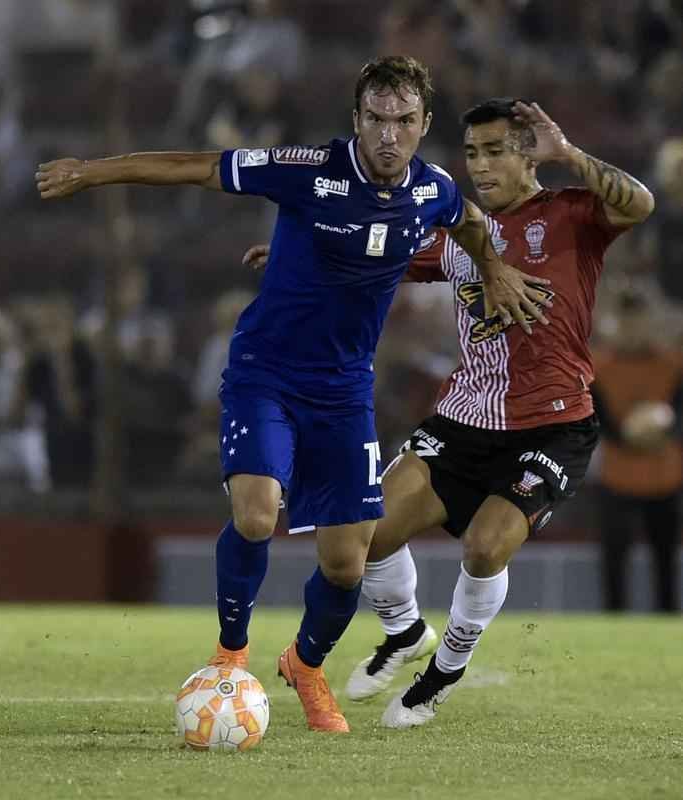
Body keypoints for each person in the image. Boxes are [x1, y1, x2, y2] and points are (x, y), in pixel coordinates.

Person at [35, 58, 549, 734]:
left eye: (403, 120)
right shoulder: (310, 170)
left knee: (347, 563)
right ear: (356, 119)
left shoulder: (434, 189)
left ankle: (305, 665)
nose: (388, 134)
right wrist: (91, 171)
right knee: (257, 515)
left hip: (344, 393)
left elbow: (469, 221)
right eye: (376, 118)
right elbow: (197, 166)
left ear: (424, 124)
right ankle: (229, 654)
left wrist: (494, 268)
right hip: (266, 373)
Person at [247, 96, 656, 728]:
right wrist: (296, 257)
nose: (480, 166)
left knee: (485, 549)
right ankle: (407, 631)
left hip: (553, 425)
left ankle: (445, 670)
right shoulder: (458, 234)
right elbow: (373, 255)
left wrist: (570, 153)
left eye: (495, 152)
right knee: (365, 535)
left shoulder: (571, 214)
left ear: (529, 156)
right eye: (471, 154)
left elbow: (640, 204)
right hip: (462, 421)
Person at [591, 288, 682, 613]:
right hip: (617, 475)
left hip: (666, 475)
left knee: (666, 558)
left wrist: (664, 431)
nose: (633, 328)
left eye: (639, 320)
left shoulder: (673, 364)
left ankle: (668, 621)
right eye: (627, 321)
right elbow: (597, 420)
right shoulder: (599, 368)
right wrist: (630, 434)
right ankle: (613, 620)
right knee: (614, 558)